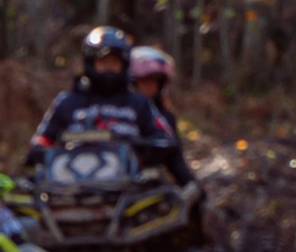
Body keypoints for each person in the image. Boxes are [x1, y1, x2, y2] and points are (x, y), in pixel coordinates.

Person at [27, 25, 187, 180]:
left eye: (114, 63)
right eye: (103, 63)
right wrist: (39, 149)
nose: (109, 68)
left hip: (128, 189)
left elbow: (164, 138)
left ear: (123, 66)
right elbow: (42, 139)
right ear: (91, 64)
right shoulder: (67, 103)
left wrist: (146, 149)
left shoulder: (139, 104)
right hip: (68, 186)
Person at [129, 45, 180, 141]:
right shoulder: (123, 112)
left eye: (155, 81)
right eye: (145, 80)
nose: (150, 86)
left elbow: (175, 150)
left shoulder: (165, 117)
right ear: (134, 82)